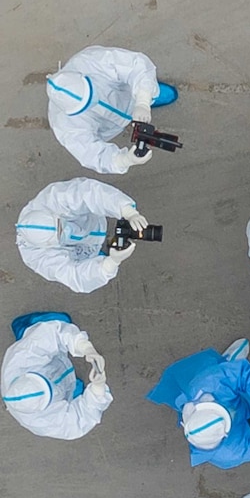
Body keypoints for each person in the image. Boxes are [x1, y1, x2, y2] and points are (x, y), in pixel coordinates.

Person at [146, 338, 250, 470]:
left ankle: (226, 363)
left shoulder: (207, 385)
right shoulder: (230, 453)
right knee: (227, 377)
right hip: (247, 422)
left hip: (233, 395)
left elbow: (241, 375)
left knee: (223, 372)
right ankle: (228, 365)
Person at [46, 45, 179, 174]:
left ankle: (146, 94)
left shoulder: (90, 61)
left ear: (84, 78)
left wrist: (143, 101)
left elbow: (135, 66)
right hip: (108, 125)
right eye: (86, 106)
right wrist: (123, 160)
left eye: (91, 95)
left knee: (144, 87)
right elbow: (90, 154)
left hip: (125, 94)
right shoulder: (64, 125)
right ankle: (143, 97)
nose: (93, 103)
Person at [15, 177, 149, 293]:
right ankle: (101, 255)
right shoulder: (39, 258)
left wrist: (125, 210)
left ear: (54, 214)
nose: (70, 230)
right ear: (48, 245)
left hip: (94, 220)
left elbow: (88, 193)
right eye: (60, 234)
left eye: (61, 225)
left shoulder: (53, 200)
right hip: (86, 252)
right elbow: (74, 276)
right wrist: (109, 264)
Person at [1, 312, 112, 440]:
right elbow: (81, 421)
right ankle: (72, 388)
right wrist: (98, 390)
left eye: (45, 381)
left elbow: (54, 334)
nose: (53, 387)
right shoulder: (43, 423)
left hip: (50, 362)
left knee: (56, 323)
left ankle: (25, 328)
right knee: (80, 403)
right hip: (61, 378)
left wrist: (84, 346)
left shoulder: (21, 360)